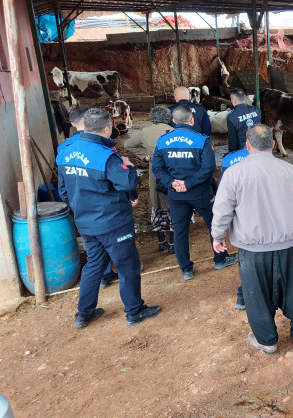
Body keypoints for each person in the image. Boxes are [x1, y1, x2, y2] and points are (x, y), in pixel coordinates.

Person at [211, 124, 293, 354]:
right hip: (287, 245)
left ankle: (267, 341)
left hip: (252, 250)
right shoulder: (291, 170)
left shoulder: (234, 173)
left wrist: (218, 236)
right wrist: (287, 220)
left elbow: (223, 210)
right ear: (273, 144)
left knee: (256, 295)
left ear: (247, 145)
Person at [57, 108, 161, 328]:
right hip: (113, 222)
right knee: (127, 266)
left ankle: (84, 314)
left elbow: (64, 191)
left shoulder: (66, 152)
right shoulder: (105, 156)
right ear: (107, 128)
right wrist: (129, 167)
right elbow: (128, 183)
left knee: (94, 265)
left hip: (85, 222)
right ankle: (134, 311)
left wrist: (80, 208)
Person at [153, 107, 238, 280]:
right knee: (213, 224)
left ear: (173, 121)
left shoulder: (162, 141)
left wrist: (172, 183)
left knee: (180, 231)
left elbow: (157, 168)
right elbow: (208, 168)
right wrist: (189, 183)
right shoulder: (201, 140)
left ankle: (186, 269)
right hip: (201, 193)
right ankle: (220, 259)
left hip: (176, 194)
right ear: (192, 120)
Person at [124, 106, 175, 253]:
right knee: (172, 203)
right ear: (168, 118)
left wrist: (145, 155)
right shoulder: (173, 131)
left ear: (152, 118)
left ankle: (162, 241)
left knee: (157, 202)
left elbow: (128, 144)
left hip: (155, 170)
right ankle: (173, 243)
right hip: (172, 169)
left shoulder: (146, 132)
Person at [220, 147, 250, 310]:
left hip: (241, 219)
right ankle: (245, 294)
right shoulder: (271, 162)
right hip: (264, 219)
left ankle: (243, 296)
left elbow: (223, 197)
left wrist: (219, 233)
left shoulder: (228, 159)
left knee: (247, 256)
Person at [226, 88, 261, 153]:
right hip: (259, 147)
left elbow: (232, 140)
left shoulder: (231, 117)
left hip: (244, 151)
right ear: (244, 97)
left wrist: (232, 154)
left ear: (233, 100)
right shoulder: (256, 110)